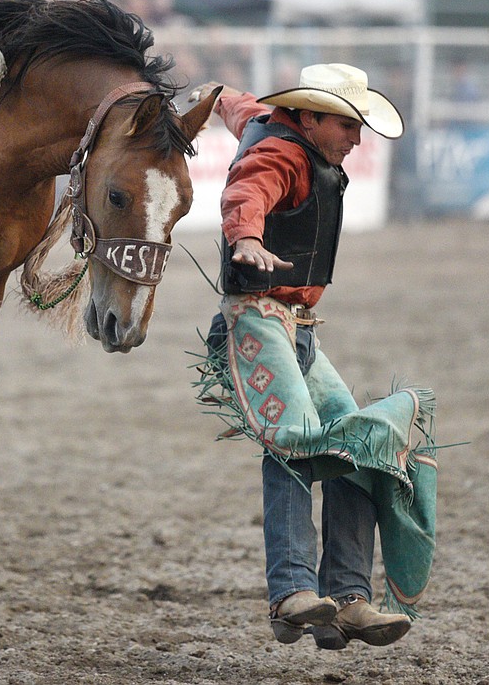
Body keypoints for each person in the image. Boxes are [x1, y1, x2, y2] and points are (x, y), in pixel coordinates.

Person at [189, 64, 438, 650]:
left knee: (357, 444)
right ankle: (294, 591)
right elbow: (247, 191)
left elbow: (233, 102)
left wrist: (208, 96)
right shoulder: (284, 156)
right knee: (295, 439)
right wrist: (246, 238)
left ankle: (348, 599)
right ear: (310, 116)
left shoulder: (263, 121)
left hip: (297, 327)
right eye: (349, 125)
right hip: (255, 319)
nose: (357, 139)